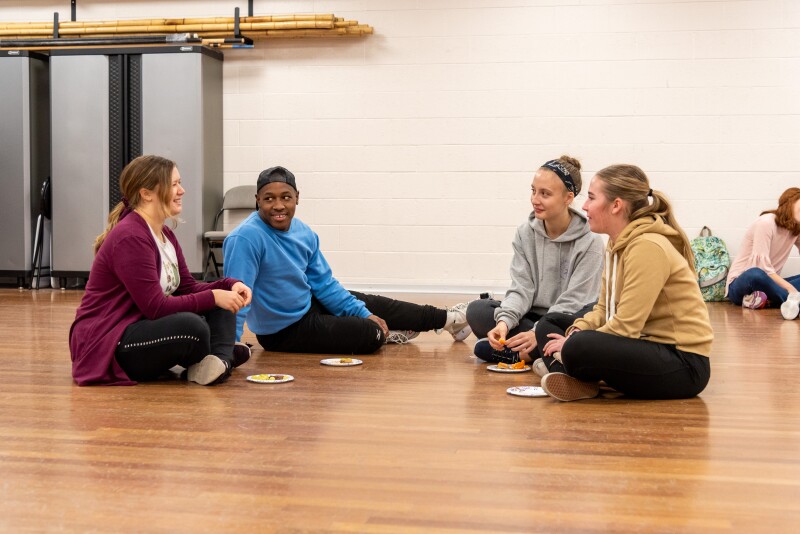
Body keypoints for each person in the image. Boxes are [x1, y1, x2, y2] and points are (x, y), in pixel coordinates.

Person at [222, 166, 471, 355]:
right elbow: (238, 297)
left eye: (285, 197)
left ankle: (450, 320)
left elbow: (325, 285)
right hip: (281, 332)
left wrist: (362, 311)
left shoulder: (304, 232)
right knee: (369, 333)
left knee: (372, 303)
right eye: (269, 199)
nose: (278, 206)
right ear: (257, 200)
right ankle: (385, 333)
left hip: (309, 304)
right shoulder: (246, 238)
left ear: (297, 197)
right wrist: (229, 345)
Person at [69, 155, 253, 386]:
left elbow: (188, 287)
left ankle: (217, 358)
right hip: (108, 343)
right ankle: (222, 356)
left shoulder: (165, 234)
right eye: (174, 184)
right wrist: (214, 295)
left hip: (139, 327)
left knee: (222, 303)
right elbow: (155, 307)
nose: (182, 190)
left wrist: (229, 285)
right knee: (193, 327)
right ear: (147, 193)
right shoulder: (130, 237)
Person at [539, 164, 713, 402]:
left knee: (580, 345)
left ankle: (567, 371)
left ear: (616, 205)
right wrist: (576, 330)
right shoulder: (615, 244)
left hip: (683, 365)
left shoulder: (647, 246)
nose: (584, 206)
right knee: (548, 324)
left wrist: (572, 344)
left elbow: (626, 326)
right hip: (643, 347)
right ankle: (575, 379)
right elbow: (602, 309)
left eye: (591, 198)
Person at [465, 156, 603, 368]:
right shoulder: (525, 232)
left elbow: (576, 301)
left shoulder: (590, 241)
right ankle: (534, 351)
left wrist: (535, 332)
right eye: (533, 191)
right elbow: (521, 288)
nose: (535, 199)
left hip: (565, 320)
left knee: (584, 326)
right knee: (477, 311)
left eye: (545, 194)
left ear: (568, 197)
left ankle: (523, 350)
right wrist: (504, 322)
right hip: (531, 316)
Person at [725, 187, 800, 320]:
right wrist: (791, 290)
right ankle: (792, 300)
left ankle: (770, 300)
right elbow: (762, 269)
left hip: (770, 286)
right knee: (755, 273)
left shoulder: (796, 228)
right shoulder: (766, 223)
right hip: (741, 284)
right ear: (790, 203)